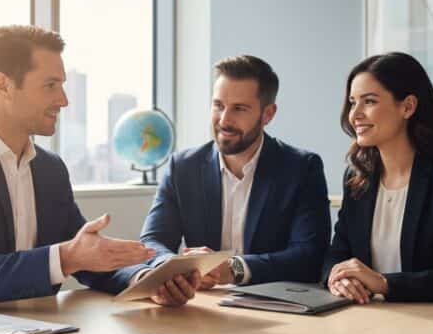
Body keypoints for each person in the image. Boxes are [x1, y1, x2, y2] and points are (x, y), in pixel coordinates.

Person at [0, 25, 159, 311]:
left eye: (62, 85)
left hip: (26, 330)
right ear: (3, 86)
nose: (64, 100)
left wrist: (146, 278)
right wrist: (67, 257)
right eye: (50, 85)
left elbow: (84, 256)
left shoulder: (50, 169)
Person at [118, 55, 331, 304]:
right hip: (202, 308)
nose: (224, 120)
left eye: (239, 108)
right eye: (218, 105)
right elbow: (154, 241)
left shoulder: (301, 169)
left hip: (278, 310)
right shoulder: (182, 168)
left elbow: (309, 257)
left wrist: (235, 269)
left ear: (268, 114)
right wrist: (177, 267)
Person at [322, 52, 433, 304]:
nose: (355, 115)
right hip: (365, 322)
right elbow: (336, 256)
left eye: (369, 101)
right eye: (353, 102)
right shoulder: (358, 178)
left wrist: (385, 283)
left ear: (407, 106)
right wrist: (338, 277)